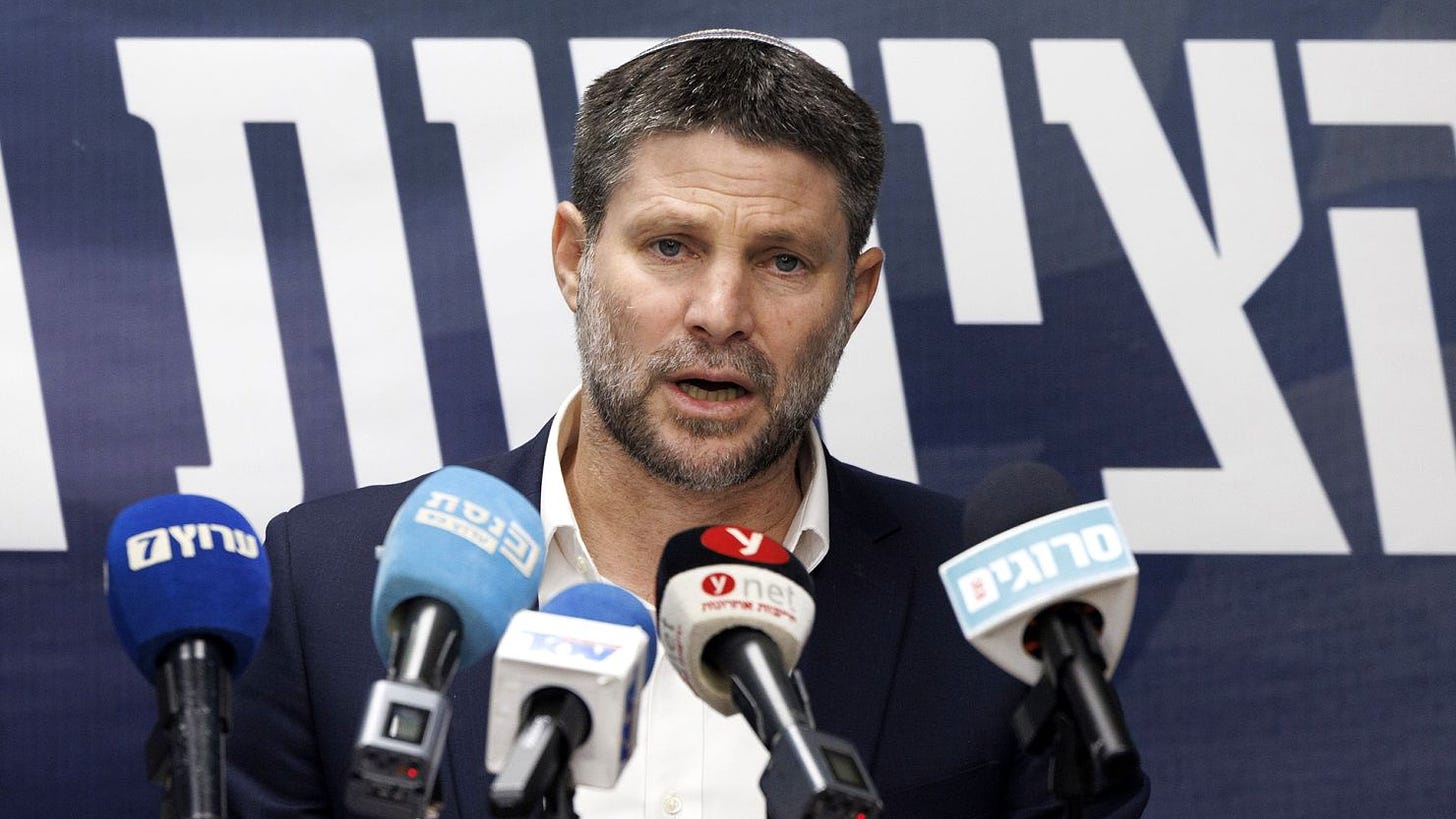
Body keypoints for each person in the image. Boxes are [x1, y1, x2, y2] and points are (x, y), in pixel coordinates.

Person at [229, 29, 1150, 817]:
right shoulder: (332, 585)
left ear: (856, 295)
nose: (719, 311)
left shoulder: (1002, 613)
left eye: (783, 261)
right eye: (672, 246)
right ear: (573, 258)